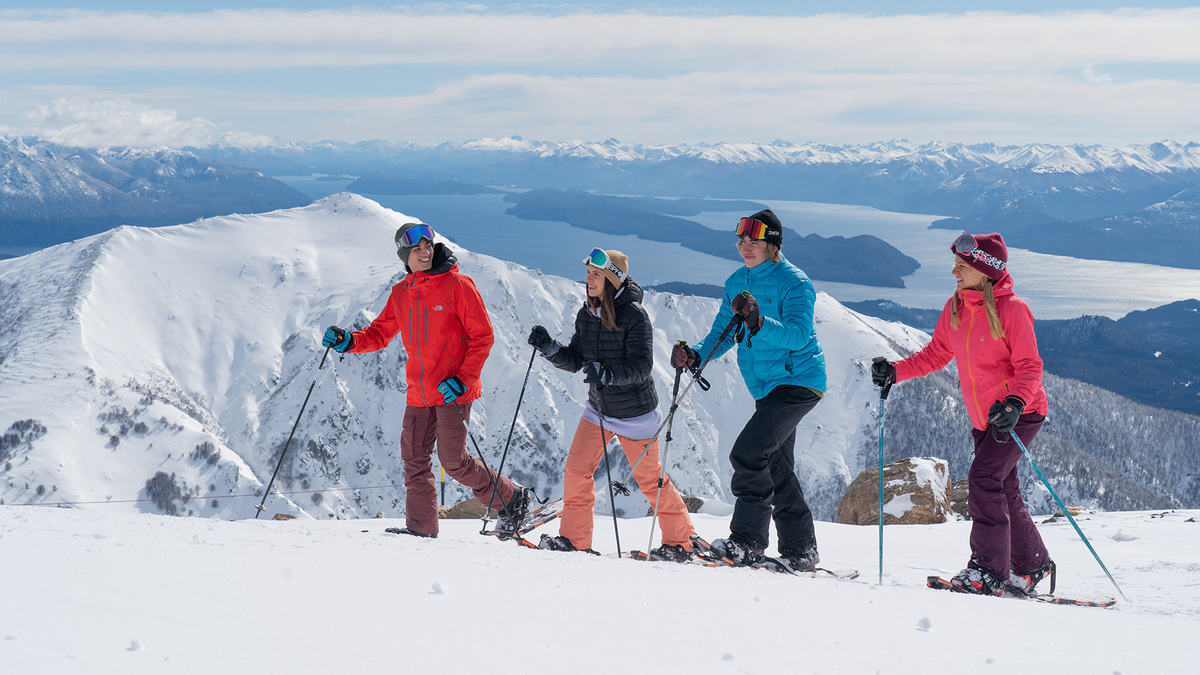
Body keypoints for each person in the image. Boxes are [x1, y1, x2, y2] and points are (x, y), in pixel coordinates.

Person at [870, 231, 1054, 597]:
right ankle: (1032, 563)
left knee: (983, 480)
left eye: (961, 266)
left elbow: (1030, 366)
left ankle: (988, 570)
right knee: (1003, 486)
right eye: (955, 265)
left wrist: (1015, 403)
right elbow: (935, 354)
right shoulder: (956, 306)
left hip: (1019, 414)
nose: (954, 272)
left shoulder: (1012, 310)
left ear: (985, 271)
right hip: (985, 419)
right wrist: (895, 371)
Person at [322, 222, 530, 539]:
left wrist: (462, 379)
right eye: (417, 248)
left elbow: (483, 338)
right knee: (414, 460)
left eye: (428, 245)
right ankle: (421, 529)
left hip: (453, 392)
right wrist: (349, 341)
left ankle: (512, 498)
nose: (425, 251)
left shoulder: (458, 285)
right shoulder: (402, 294)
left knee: (454, 462)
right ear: (405, 255)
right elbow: (379, 334)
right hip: (419, 392)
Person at [672, 209, 826, 571]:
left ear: (773, 245)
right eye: (741, 240)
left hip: (798, 381)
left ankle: (746, 542)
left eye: (754, 241)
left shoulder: (795, 282)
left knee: (748, 454)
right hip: (766, 387)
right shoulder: (736, 282)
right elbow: (722, 335)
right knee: (776, 466)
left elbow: (798, 335)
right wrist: (695, 355)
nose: (745, 246)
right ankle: (801, 550)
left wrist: (758, 320)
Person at [527, 248, 696, 560]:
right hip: (599, 408)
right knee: (576, 470)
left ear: (612, 279)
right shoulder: (586, 314)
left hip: (636, 415)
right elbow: (577, 358)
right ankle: (575, 541)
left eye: (596, 274)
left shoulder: (635, 316)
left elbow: (642, 366)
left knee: (649, 480)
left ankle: (681, 542)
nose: (588, 279)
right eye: (588, 273)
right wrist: (550, 348)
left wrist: (607, 373)